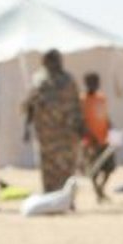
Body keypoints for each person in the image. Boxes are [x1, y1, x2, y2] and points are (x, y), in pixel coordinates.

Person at [22, 48, 85, 194]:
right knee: (48, 166)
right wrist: (26, 127)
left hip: (67, 132)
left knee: (67, 166)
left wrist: (81, 125)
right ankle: (50, 194)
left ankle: (66, 196)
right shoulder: (39, 79)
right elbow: (31, 104)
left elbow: (77, 105)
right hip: (47, 133)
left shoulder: (68, 79)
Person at [80, 71, 118, 203]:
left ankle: (101, 189)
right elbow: (81, 121)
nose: (94, 85)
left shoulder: (102, 98)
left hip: (104, 139)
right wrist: (89, 136)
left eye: (96, 82)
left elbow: (105, 117)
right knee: (93, 169)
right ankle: (97, 192)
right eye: (91, 82)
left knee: (109, 167)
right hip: (89, 141)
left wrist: (112, 131)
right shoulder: (82, 100)